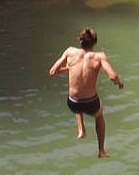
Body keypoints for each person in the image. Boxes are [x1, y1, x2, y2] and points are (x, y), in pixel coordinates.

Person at [49, 28, 124, 158]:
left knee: (77, 99)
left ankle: (81, 129)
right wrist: (119, 83)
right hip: (91, 103)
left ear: (80, 40)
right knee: (99, 116)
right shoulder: (99, 56)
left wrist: (71, 68)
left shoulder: (69, 52)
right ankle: (101, 150)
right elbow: (112, 76)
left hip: (72, 103)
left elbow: (53, 72)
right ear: (95, 43)